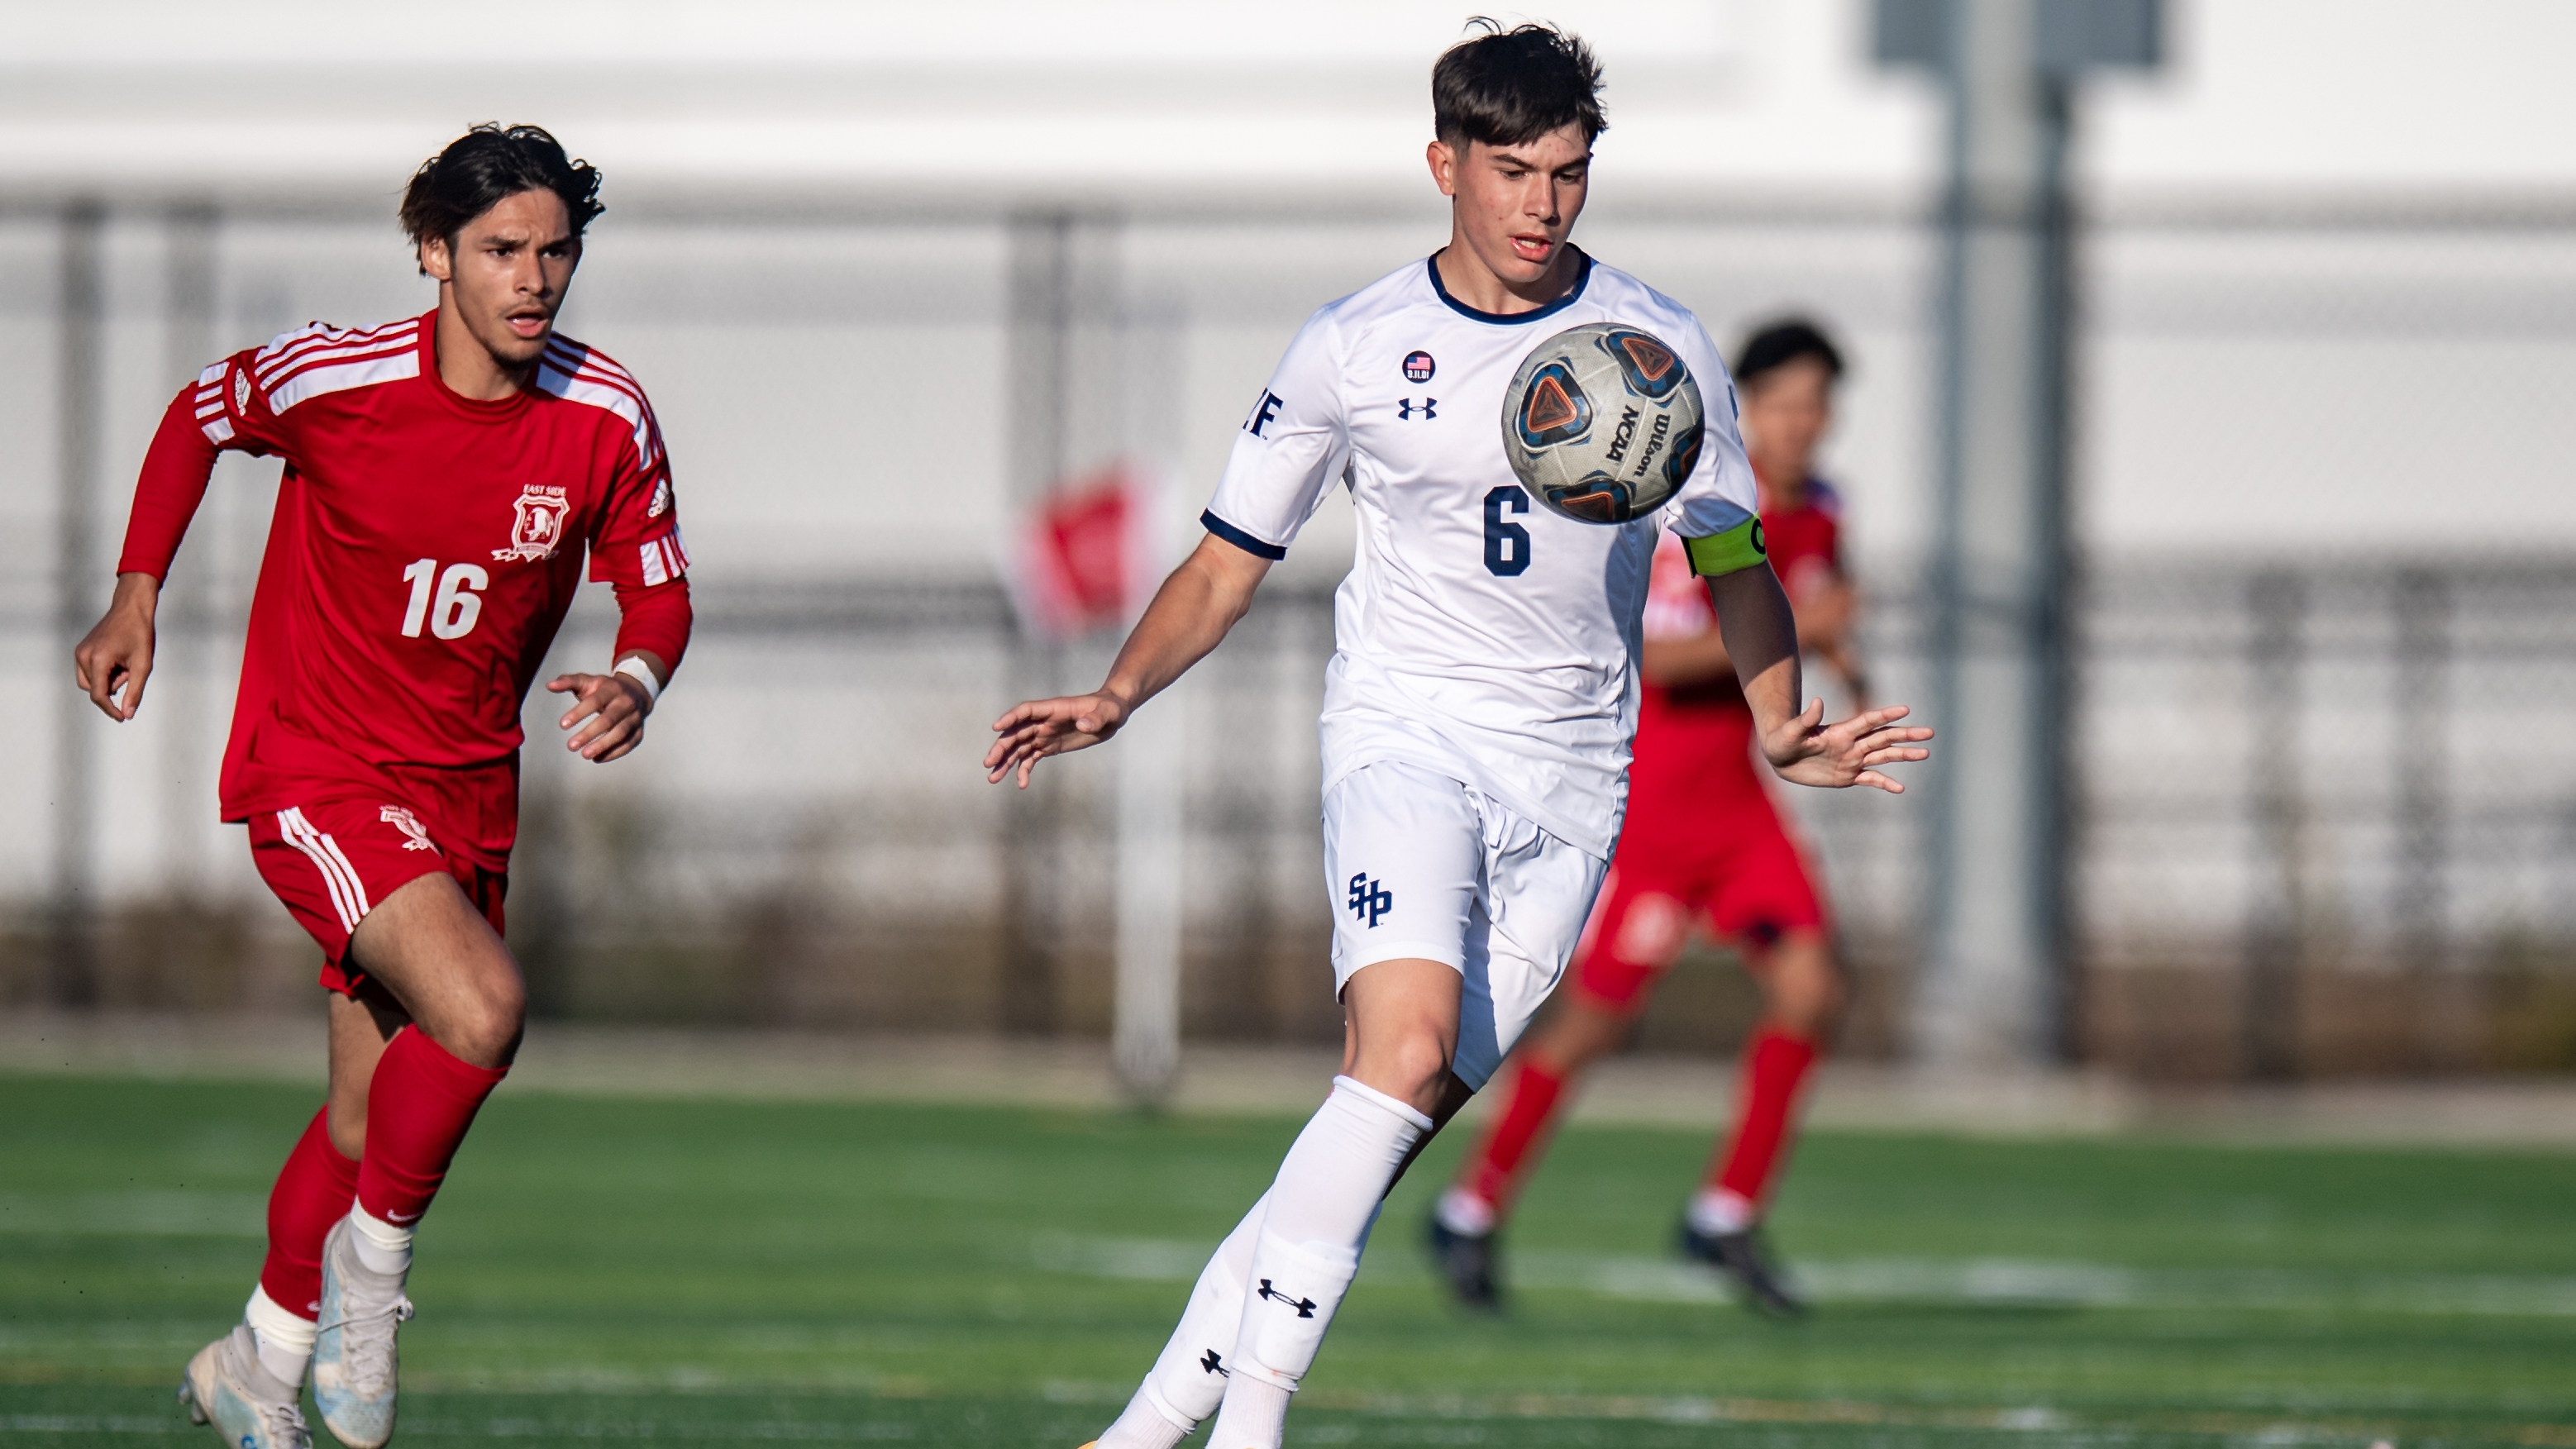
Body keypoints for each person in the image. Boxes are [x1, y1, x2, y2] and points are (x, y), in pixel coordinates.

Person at [982, 27, 1930, 1449]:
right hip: (1404, 737)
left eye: (1570, 173)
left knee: (1382, 1117)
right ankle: (1250, 1426)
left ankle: (1135, 1433)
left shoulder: (1657, 351)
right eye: (1514, 172)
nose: (1545, 205)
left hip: (1574, 782)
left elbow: (1735, 560)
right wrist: (1120, 691)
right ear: (1444, 165)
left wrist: (1778, 718)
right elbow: (1227, 559)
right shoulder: (1351, 346)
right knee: (1402, 1044)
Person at [72, 124, 693, 1449]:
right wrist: (138, 594)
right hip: (316, 765)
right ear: (434, 253)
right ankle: (371, 1287)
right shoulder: (334, 375)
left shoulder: (606, 414)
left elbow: (658, 586)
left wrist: (637, 678)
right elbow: (195, 417)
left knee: (365, 1115)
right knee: (483, 1008)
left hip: (469, 792)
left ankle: (260, 1359)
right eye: (501, 250)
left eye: (556, 252)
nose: (534, 279)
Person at [1426, 319, 1866, 1319]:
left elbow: (1820, 617)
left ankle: (1724, 1210)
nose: (1807, 425)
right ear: (1746, 405)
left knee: (1812, 987)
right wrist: (1797, 632)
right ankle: (1472, 1203)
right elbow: (1659, 654)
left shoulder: (1821, 513)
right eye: (1790, 404)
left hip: (1743, 814)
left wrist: (1849, 678)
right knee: (1590, 1021)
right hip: (1658, 814)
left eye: (1820, 407)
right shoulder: (1700, 501)